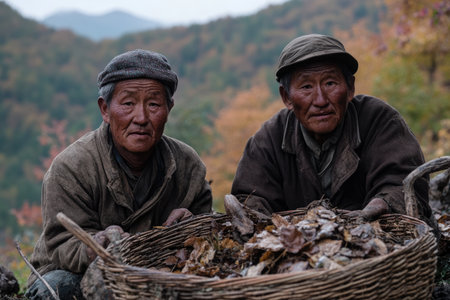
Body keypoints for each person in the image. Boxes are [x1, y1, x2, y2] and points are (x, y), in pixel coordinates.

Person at [26, 49, 213, 299]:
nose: (141, 117)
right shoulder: (72, 167)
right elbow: (62, 245)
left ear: (169, 109)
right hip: (76, 273)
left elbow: (210, 236)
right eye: (128, 103)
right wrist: (97, 246)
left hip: (159, 275)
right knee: (57, 288)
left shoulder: (188, 165)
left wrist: (193, 226)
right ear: (105, 109)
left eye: (154, 104)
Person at [231, 34, 437, 230]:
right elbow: (250, 201)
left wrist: (378, 207)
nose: (320, 100)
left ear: (350, 88)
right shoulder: (269, 139)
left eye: (330, 83)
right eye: (306, 87)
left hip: (383, 248)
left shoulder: (379, 120)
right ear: (286, 97)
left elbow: (404, 183)